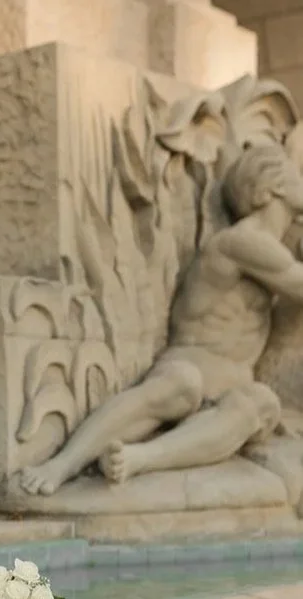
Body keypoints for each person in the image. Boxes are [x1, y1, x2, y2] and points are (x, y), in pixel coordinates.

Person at [17, 141, 303, 496]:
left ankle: (140, 458)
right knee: (181, 385)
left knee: (261, 403)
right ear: (272, 186)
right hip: (193, 363)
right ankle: (62, 464)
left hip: (233, 382)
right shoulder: (242, 241)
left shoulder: (273, 247)